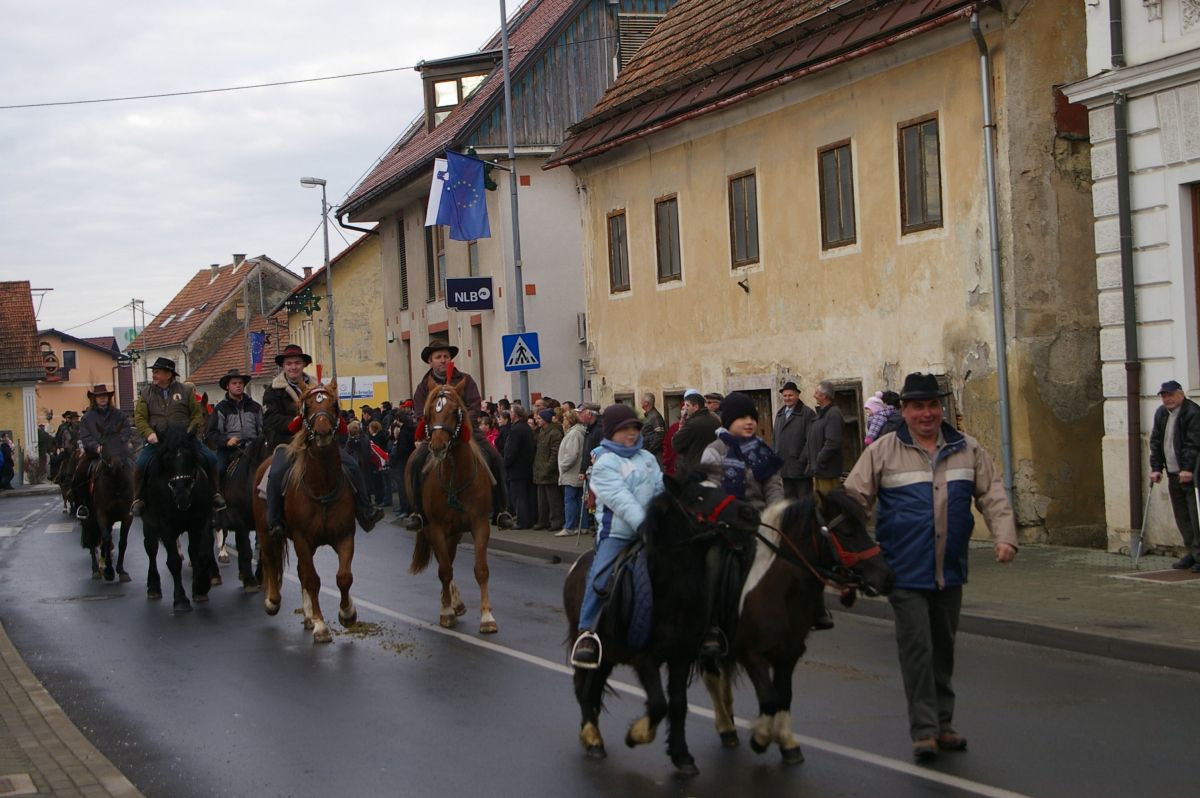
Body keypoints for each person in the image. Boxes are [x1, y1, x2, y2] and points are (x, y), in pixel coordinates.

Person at [843, 372, 1017, 762]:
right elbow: (853, 501)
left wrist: (1004, 537)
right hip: (902, 571)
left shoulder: (967, 448)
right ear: (904, 410)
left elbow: (992, 493)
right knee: (918, 648)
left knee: (943, 648)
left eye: (933, 405)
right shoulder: (883, 451)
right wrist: (853, 553)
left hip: (949, 568)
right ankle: (924, 730)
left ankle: (943, 724)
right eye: (918, 406)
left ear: (942, 408)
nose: (927, 413)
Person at [571, 404, 665, 667]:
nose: (632, 433)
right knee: (600, 577)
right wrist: (644, 525)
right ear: (611, 432)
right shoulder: (604, 463)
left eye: (635, 428)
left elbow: (660, 488)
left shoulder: (647, 458)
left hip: (652, 531)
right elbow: (620, 499)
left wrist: (665, 515)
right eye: (625, 429)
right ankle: (587, 632)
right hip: (618, 535)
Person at [261, 344, 384, 540]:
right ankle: (274, 521)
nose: (293, 367)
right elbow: (270, 419)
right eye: (289, 363)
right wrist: (293, 423)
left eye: (297, 363)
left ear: (303, 365)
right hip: (288, 442)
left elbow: (332, 411)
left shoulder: (319, 388)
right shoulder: (273, 391)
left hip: (318, 441)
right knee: (275, 474)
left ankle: (365, 510)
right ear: (283, 366)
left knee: (352, 465)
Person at [698, 391, 783, 660]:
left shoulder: (760, 448)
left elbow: (773, 485)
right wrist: (734, 515)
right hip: (726, 524)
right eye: (742, 417)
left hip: (761, 521)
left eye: (752, 417)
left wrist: (774, 515)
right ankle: (712, 627)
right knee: (713, 564)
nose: (749, 422)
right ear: (729, 421)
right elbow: (712, 491)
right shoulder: (715, 451)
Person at [406, 338, 514, 530]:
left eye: (446, 356)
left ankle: (501, 510)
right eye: (438, 357)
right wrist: (436, 426)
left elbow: (474, 405)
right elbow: (421, 412)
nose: (443, 360)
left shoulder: (466, 380)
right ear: (430, 361)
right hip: (437, 434)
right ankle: (418, 512)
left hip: (467, 431)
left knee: (495, 459)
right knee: (415, 463)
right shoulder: (423, 386)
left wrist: (461, 422)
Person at [130, 358, 224, 517]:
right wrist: (149, 433)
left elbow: (196, 415)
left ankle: (215, 493)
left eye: (157, 372)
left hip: (184, 439)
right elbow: (139, 418)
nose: (154, 375)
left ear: (168, 375)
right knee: (140, 464)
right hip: (158, 440)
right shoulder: (145, 393)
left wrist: (189, 432)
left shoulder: (186, 391)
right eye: (154, 372)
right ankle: (138, 499)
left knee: (211, 458)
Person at [1149, 379, 1200, 572]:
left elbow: (1193, 443)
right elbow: (1156, 441)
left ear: (1181, 394)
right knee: (1182, 516)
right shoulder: (1161, 413)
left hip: (1192, 474)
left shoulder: (1192, 412)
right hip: (1173, 473)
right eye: (1164, 396)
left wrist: (1187, 468)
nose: (1167, 399)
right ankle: (1193, 552)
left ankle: (1199, 554)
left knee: (1195, 516)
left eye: (1170, 395)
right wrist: (1156, 468)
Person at [74, 384, 132, 519]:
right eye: (99, 396)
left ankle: (136, 500)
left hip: (117, 452)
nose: (102, 398)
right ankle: (83, 504)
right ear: (94, 399)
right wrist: (96, 447)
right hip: (95, 453)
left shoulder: (119, 414)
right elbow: (85, 436)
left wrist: (120, 442)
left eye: (105, 396)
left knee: (135, 467)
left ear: (108, 397)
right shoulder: (87, 417)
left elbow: (126, 429)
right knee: (80, 471)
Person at [206, 369, 263, 478]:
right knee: (220, 470)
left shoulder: (255, 407)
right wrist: (226, 441)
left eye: (240, 383)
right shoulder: (220, 408)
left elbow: (262, 429)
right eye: (234, 383)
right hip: (229, 449)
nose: (238, 385)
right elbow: (211, 432)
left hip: (254, 448)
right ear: (227, 386)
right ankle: (217, 489)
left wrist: (258, 441)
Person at [774, 381, 815, 500]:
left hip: (801, 468)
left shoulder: (807, 414)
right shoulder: (780, 414)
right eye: (785, 396)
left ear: (797, 395)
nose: (787, 398)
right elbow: (775, 438)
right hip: (784, 467)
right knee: (789, 502)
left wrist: (802, 460)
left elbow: (811, 441)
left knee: (804, 501)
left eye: (790, 395)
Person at [806, 380, 844, 498]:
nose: (814, 396)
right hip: (820, 471)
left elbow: (833, 442)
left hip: (827, 471)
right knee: (820, 503)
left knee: (828, 503)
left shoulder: (833, 414)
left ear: (824, 396)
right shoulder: (822, 414)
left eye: (817, 393)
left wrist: (819, 460)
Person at [504, 404, 537, 529]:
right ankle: (530, 519)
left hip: (517, 469)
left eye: (511, 412)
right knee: (527, 495)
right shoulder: (526, 427)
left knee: (519, 497)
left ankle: (522, 521)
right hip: (526, 467)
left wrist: (506, 462)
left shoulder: (516, 429)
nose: (510, 414)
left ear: (515, 414)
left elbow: (512, 450)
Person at [672, 390, 721, 474]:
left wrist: (683, 420)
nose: (685, 408)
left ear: (696, 407)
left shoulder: (692, 423)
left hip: (694, 467)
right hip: (711, 466)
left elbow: (676, 443)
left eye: (687, 405)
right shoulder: (715, 420)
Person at [533, 409, 565, 531]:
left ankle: (556, 521)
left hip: (549, 473)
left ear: (546, 420)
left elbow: (555, 454)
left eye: (540, 418)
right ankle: (543, 520)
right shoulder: (542, 431)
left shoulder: (555, 433)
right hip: (540, 471)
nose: (537, 420)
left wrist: (547, 468)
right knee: (542, 500)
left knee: (553, 500)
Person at [558, 409, 587, 536]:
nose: (563, 421)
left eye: (564, 419)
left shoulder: (574, 433)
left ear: (570, 420)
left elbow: (571, 454)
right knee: (580, 500)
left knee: (570, 500)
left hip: (571, 472)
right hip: (576, 471)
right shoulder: (578, 432)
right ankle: (583, 526)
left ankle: (569, 526)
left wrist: (563, 466)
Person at [640, 392, 667, 463]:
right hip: (649, 452)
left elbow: (660, 435)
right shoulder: (649, 416)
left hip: (654, 454)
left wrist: (650, 450)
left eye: (642, 400)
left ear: (646, 403)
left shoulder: (655, 416)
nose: (640, 402)